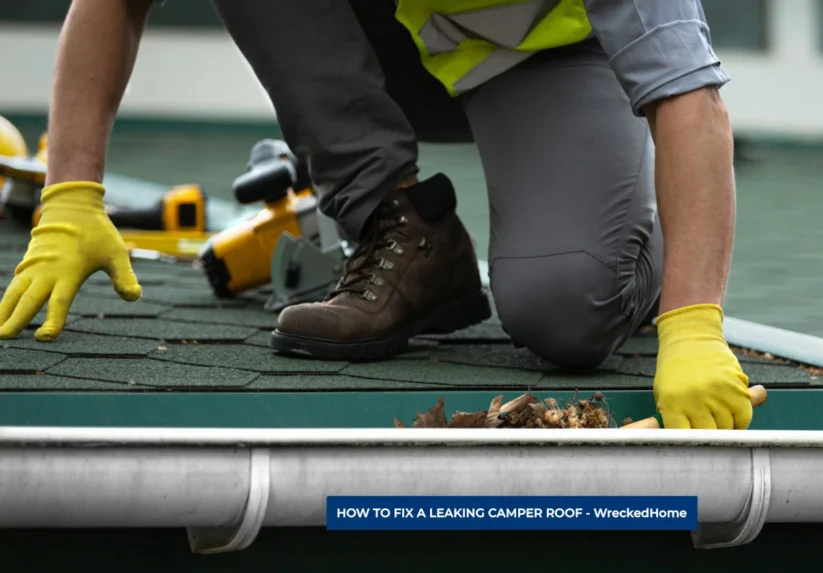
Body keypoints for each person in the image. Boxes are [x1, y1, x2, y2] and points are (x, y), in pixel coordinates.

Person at [0, 0, 753, 431]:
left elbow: (691, 100)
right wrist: (71, 195)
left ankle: (640, 256)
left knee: (565, 313)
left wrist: (692, 320)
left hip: (545, 61)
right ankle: (398, 223)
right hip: (387, 36)